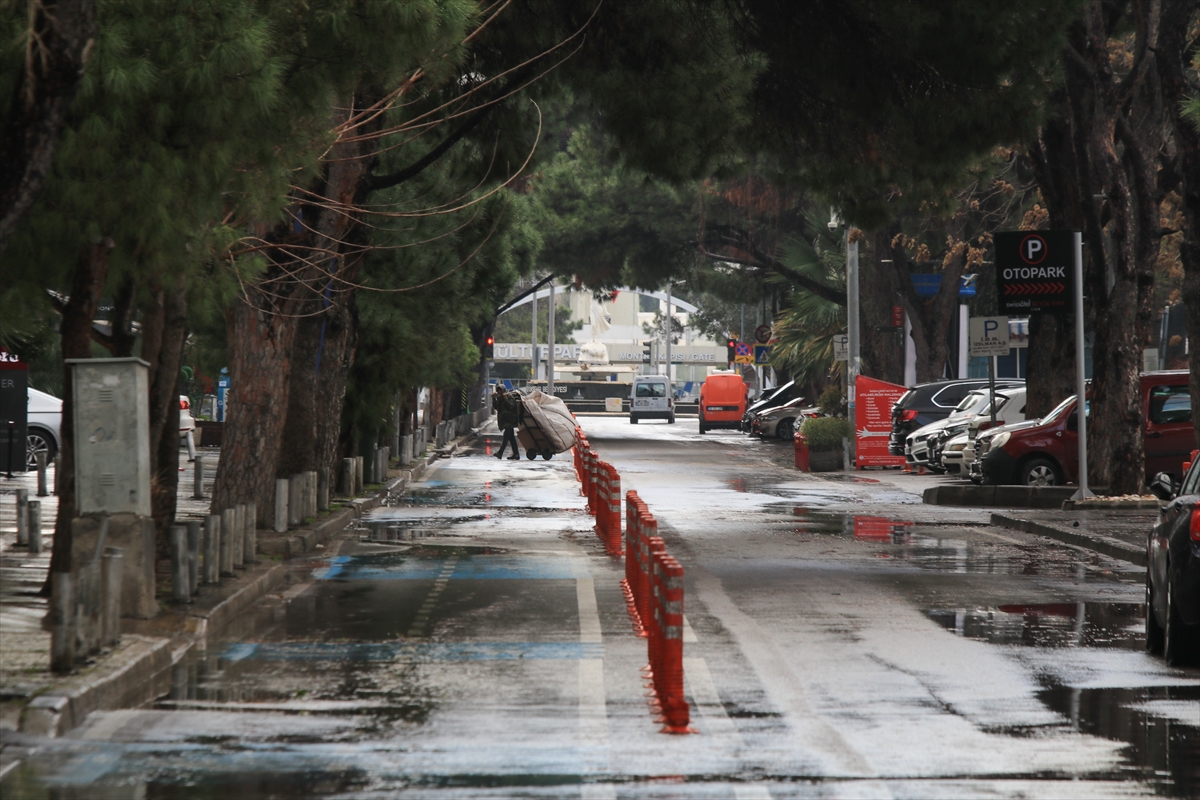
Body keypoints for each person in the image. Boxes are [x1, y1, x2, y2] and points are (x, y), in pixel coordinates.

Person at [494, 386, 522, 460]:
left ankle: (500, 453)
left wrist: (505, 399)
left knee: (506, 437)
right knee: (511, 438)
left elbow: (511, 406)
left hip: (510, 421)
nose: (499, 392)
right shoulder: (500, 398)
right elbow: (496, 407)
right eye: (498, 391)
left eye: (500, 391)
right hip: (504, 421)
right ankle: (516, 454)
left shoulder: (509, 397)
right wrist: (493, 398)